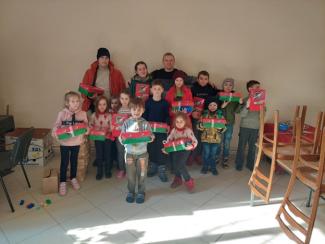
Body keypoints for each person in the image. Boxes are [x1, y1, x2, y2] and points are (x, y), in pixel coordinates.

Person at [52, 91, 88, 196]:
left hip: (76, 142)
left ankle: (73, 178)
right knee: (64, 162)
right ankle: (62, 181)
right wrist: (55, 132)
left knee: (74, 161)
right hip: (65, 143)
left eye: (77, 101)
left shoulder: (83, 113)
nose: (76, 103)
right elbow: (56, 125)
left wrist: (87, 130)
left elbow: (86, 125)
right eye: (73, 101)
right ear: (67, 103)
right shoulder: (62, 114)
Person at [119, 98, 154, 204]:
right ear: (130, 110)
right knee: (130, 174)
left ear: (143, 110)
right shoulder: (126, 123)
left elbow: (150, 135)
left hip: (142, 154)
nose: (136, 112)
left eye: (139, 109)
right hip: (129, 154)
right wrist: (122, 139)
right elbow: (122, 137)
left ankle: (141, 192)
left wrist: (152, 137)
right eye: (134, 109)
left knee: (142, 174)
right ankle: (131, 191)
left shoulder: (145, 124)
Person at [80, 47, 126, 112]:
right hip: (95, 107)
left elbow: (123, 91)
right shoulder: (89, 72)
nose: (104, 60)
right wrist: (90, 96)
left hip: (112, 107)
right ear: (98, 59)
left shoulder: (117, 73)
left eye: (106, 58)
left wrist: (118, 102)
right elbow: (83, 92)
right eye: (102, 57)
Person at [143, 80, 170, 181]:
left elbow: (167, 116)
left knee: (162, 148)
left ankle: (161, 169)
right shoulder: (148, 102)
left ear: (162, 90)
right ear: (151, 90)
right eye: (155, 89)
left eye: (159, 89)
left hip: (162, 131)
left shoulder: (165, 103)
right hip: (150, 131)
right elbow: (145, 116)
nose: (157, 91)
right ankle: (153, 166)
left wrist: (167, 124)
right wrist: (144, 126)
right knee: (151, 148)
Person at [164, 112, 197, 192]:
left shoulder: (188, 130)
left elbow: (194, 141)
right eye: (177, 121)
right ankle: (178, 179)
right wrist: (166, 145)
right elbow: (169, 138)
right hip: (175, 149)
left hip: (185, 150)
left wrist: (192, 146)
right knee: (175, 164)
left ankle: (188, 180)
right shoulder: (174, 130)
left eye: (181, 121)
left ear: (185, 122)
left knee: (180, 164)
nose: (179, 123)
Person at [190, 70, 218, 165]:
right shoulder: (193, 88)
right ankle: (192, 155)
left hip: (206, 116)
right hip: (195, 115)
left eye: (206, 79)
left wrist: (215, 87)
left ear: (208, 80)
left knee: (203, 136)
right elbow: (189, 101)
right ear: (198, 79)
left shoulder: (211, 89)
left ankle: (199, 156)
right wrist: (193, 111)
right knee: (194, 135)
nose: (203, 81)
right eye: (201, 78)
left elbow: (217, 99)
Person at [234, 80, 262, 171]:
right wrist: (246, 106)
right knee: (241, 146)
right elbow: (240, 114)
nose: (259, 89)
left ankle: (250, 164)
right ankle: (239, 163)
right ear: (250, 89)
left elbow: (262, 114)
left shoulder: (260, 100)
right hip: (245, 127)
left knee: (252, 147)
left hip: (255, 127)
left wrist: (262, 106)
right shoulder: (244, 100)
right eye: (257, 87)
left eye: (259, 87)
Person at [197, 97, 226, 175]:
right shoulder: (204, 116)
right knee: (206, 154)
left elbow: (224, 127)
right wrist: (202, 126)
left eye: (214, 105)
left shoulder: (220, 116)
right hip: (205, 139)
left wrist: (220, 128)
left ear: (217, 106)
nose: (212, 107)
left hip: (216, 139)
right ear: (207, 106)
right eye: (210, 105)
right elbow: (198, 126)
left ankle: (213, 168)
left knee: (213, 155)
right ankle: (205, 167)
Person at [219, 78, 243, 168]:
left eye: (230, 85)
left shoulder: (235, 97)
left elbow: (237, 111)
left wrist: (240, 103)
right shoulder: (219, 95)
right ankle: (217, 157)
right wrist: (222, 106)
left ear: (232, 86)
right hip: (219, 122)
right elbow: (214, 108)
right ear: (223, 86)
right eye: (226, 84)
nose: (228, 87)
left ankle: (225, 158)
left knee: (227, 142)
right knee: (218, 141)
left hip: (230, 122)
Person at [89, 96, 113, 180]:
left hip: (107, 138)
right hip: (98, 138)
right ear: (96, 105)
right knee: (99, 154)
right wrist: (93, 129)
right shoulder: (94, 115)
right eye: (100, 104)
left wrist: (109, 129)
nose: (102, 106)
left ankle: (107, 170)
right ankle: (99, 171)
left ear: (107, 105)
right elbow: (90, 125)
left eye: (104, 104)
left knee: (107, 154)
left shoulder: (109, 115)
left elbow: (112, 126)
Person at [115, 90, 132, 178]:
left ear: (129, 99)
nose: (124, 101)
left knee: (129, 152)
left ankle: (128, 169)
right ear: (119, 99)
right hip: (120, 135)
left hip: (129, 135)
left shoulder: (132, 109)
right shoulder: (117, 109)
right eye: (122, 98)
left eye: (126, 99)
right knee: (120, 152)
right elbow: (115, 122)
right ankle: (121, 169)